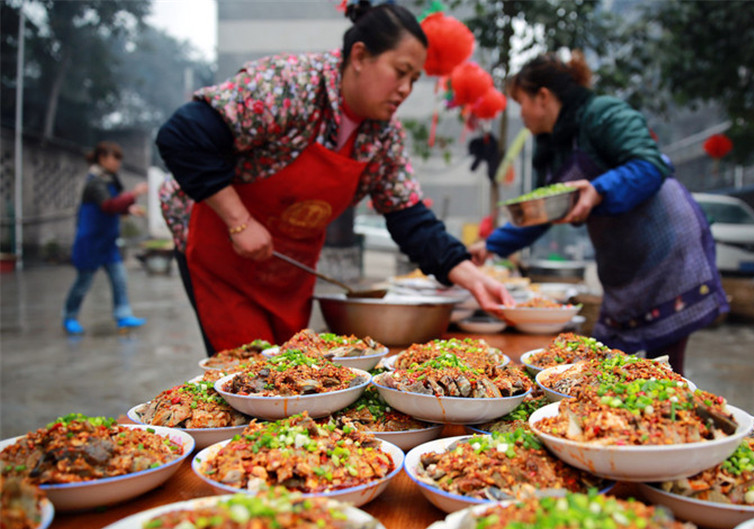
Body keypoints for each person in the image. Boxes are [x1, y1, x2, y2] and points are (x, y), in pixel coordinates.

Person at [155, 1, 514, 356]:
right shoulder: (291, 84)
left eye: (414, 79)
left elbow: (408, 215)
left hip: (287, 271)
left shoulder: (383, 135)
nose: (405, 89)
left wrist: (469, 274)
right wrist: (239, 222)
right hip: (222, 255)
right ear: (359, 57)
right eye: (400, 71)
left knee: (292, 374)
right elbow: (182, 136)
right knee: (246, 379)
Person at [470, 52, 729, 374]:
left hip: (667, 249)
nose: (519, 112)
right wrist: (490, 246)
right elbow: (545, 210)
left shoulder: (603, 113)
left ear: (543, 97)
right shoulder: (552, 146)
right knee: (610, 364)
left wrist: (599, 189)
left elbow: (649, 165)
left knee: (663, 368)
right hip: (626, 260)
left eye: (520, 101)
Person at [63, 141, 148, 335]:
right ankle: (70, 316)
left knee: (119, 279)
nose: (117, 163)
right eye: (114, 158)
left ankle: (123, 314)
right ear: (102, 158)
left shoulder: (109, 180)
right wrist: (134, 194)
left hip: (108, 243)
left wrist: (129, 208)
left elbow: (115, 206)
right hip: (90, 242)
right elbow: (108, 206)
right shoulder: (95, 182)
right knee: (83, 283)